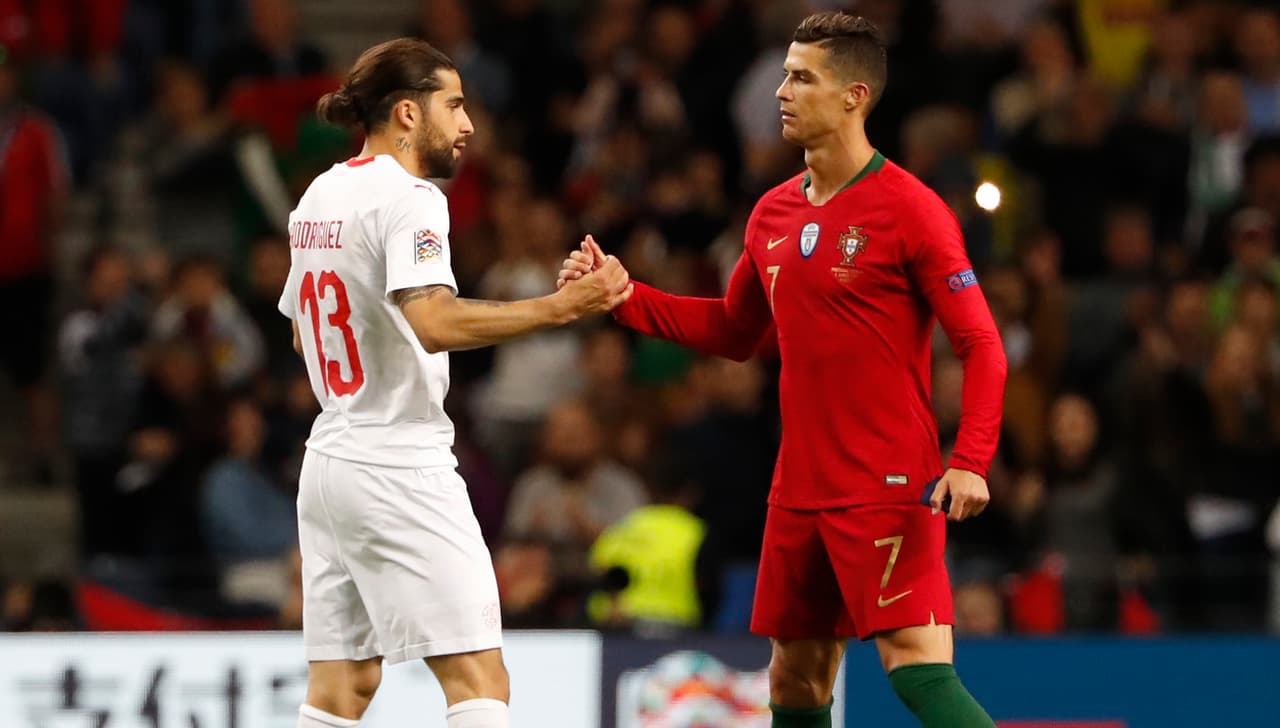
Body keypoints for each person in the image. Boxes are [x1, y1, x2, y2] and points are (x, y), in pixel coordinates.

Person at [561, 12, 1005, 728]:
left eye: (803, 78)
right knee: (794, 679)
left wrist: (972, 459)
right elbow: (736, 331)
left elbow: (982, 343)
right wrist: (627, 297)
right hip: (799, 488)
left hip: (887, 480)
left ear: (855, 96)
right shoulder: (772, 213)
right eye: (784, 75)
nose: (782, 92)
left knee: (916, 666)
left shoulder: (912, 211)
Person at [278, 38, 632, 728]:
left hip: (329, 463)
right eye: (455, 105)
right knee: (479, 678)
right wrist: (564, 307)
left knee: (341, 689)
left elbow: (300, 330)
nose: (469, 125)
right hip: (397, 461)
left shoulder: (322, 192)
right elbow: (433, 322)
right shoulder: (411, 198)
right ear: (408, 113)